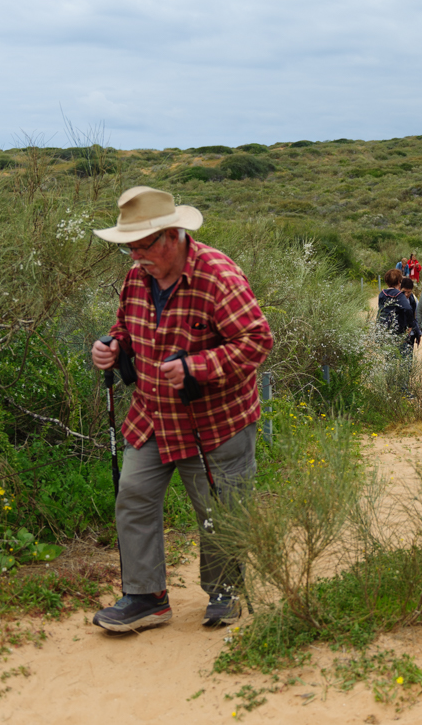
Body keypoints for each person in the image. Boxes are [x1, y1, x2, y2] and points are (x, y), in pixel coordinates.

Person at [89, 186, 274, 632]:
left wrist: (199, 366)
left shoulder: (218, 276)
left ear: (171, 236)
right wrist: (111, 347)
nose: (135, 257)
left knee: (218, 508)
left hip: (216, 420)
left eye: (142, 246)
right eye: (128, 247)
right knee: (133, 493)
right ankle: (145, 595)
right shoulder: (138, 277)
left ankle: (225, 592)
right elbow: (125, 326)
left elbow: (257, 341)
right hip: (153, 413)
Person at [376, 268, 415, 341]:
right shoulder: (399, 295)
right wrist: (410, 325)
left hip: (383, 327)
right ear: (398, 281)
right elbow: (408, 308)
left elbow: (380, 308)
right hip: (396, 329)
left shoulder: (382, 293)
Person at [400, 276, 421, 356]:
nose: (406, 294)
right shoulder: (396, 299)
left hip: (410, 334)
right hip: (399, 333)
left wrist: (418, 332)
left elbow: (417, 316)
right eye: (404, 292)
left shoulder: (414, 300)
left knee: (408, 358)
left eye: (409, 292)